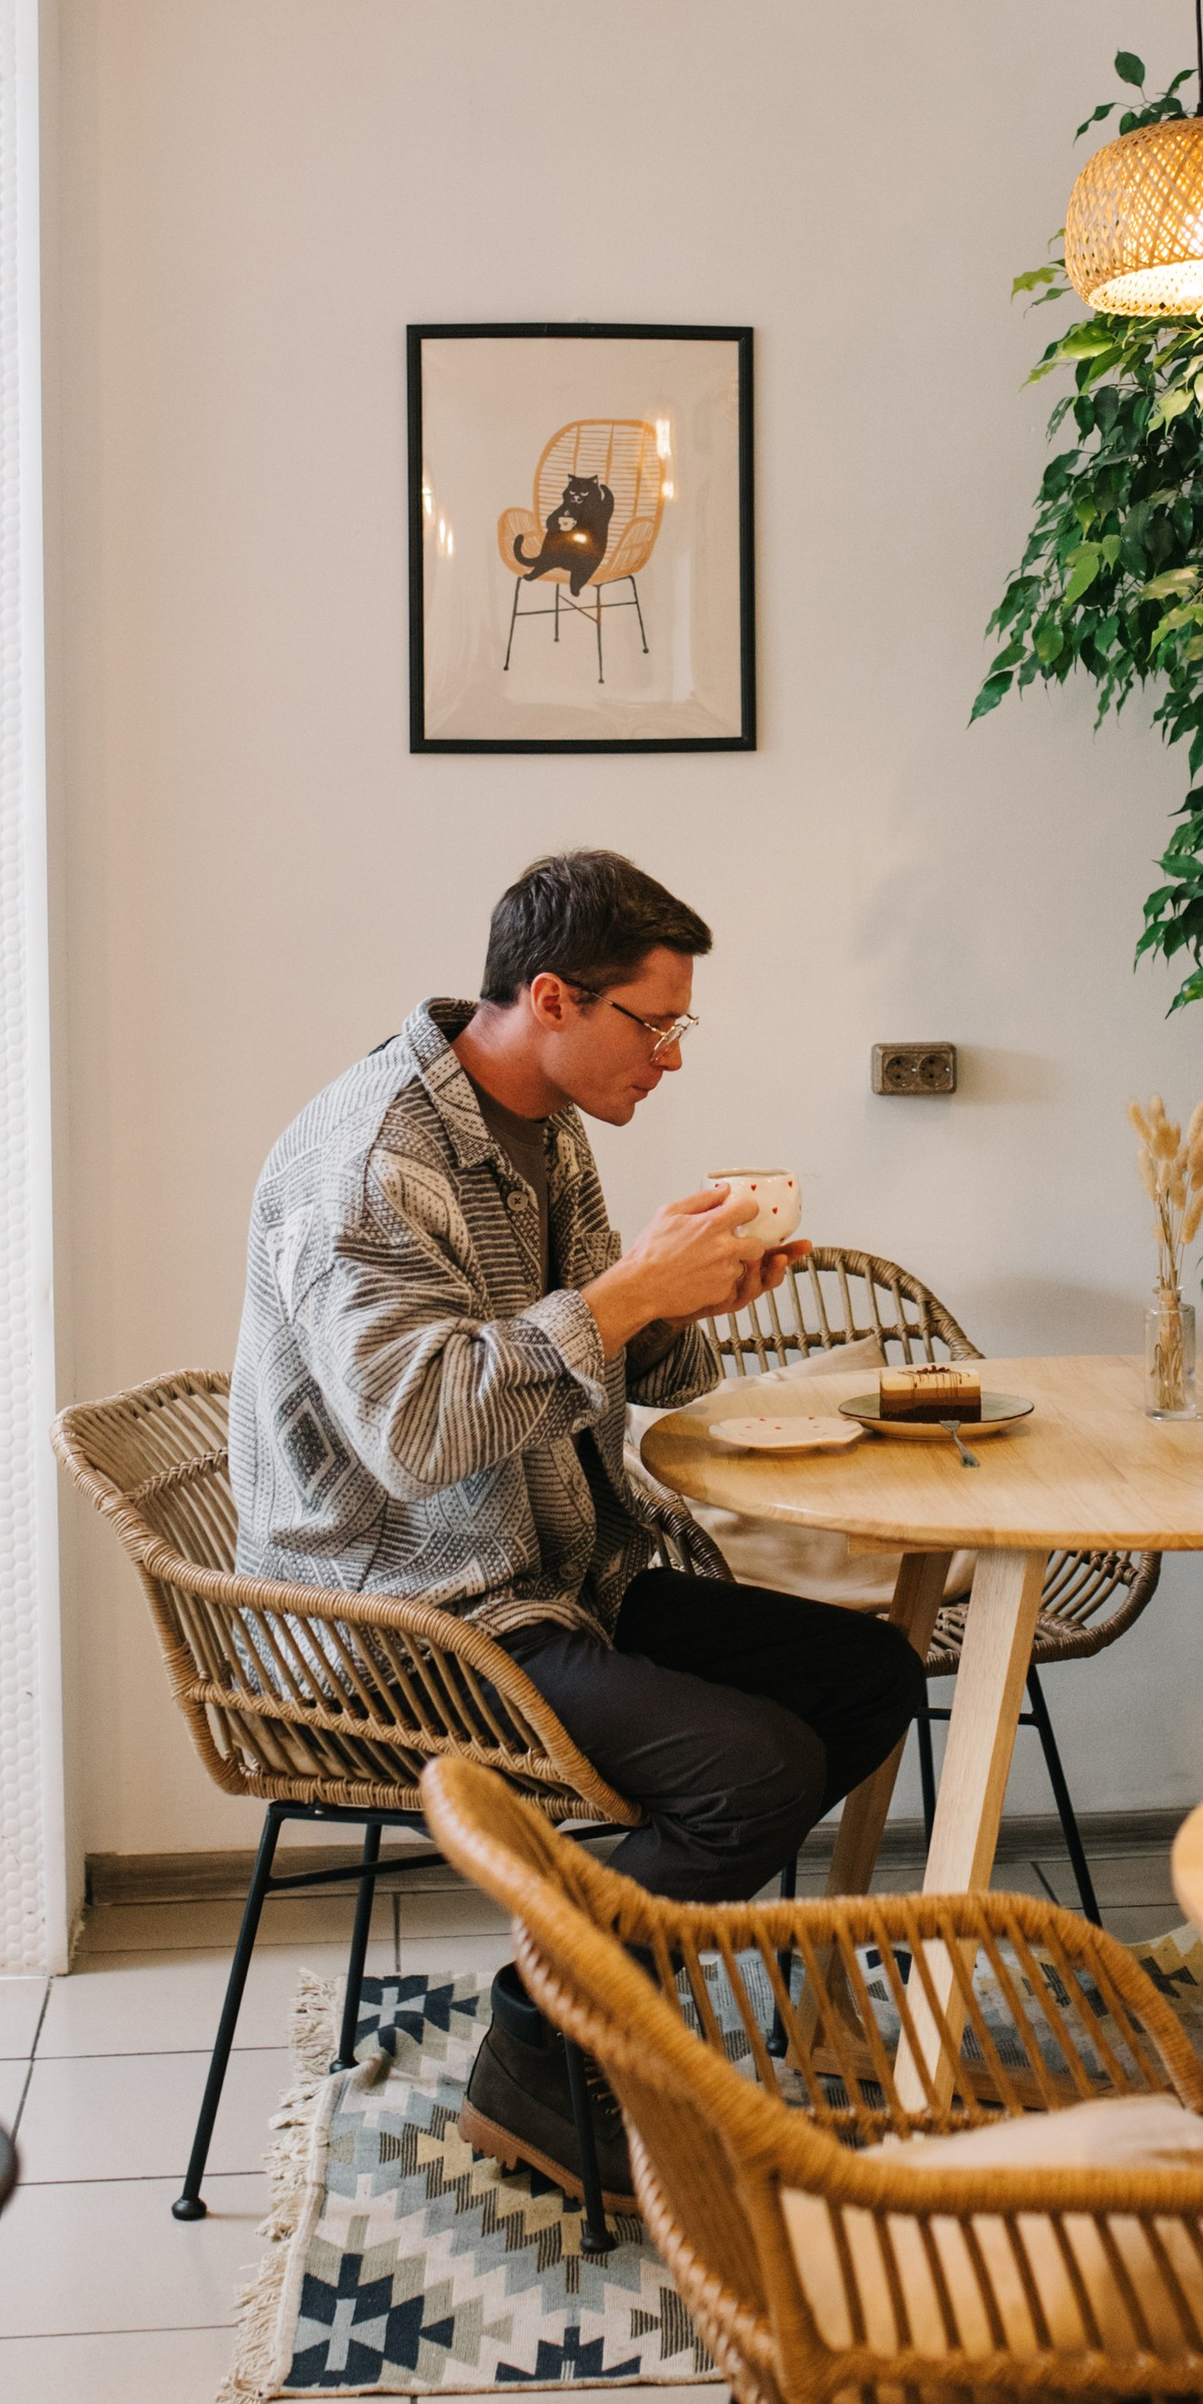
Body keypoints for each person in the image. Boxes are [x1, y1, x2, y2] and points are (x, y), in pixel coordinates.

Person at [230, 847, 923, 2207]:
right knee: (754, 1772)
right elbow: (417, 1431)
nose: (672, 1056)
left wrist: (681, 1301)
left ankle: (605, 1993)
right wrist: (623, 1297)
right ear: (551, 997)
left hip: (553, 1570)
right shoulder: (370, 1164)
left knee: (871, 1675)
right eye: (653, 1023)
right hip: (405, 1619)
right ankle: (544, 2033)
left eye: (680, 1024)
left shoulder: (542, 1127)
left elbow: (609, 1364)